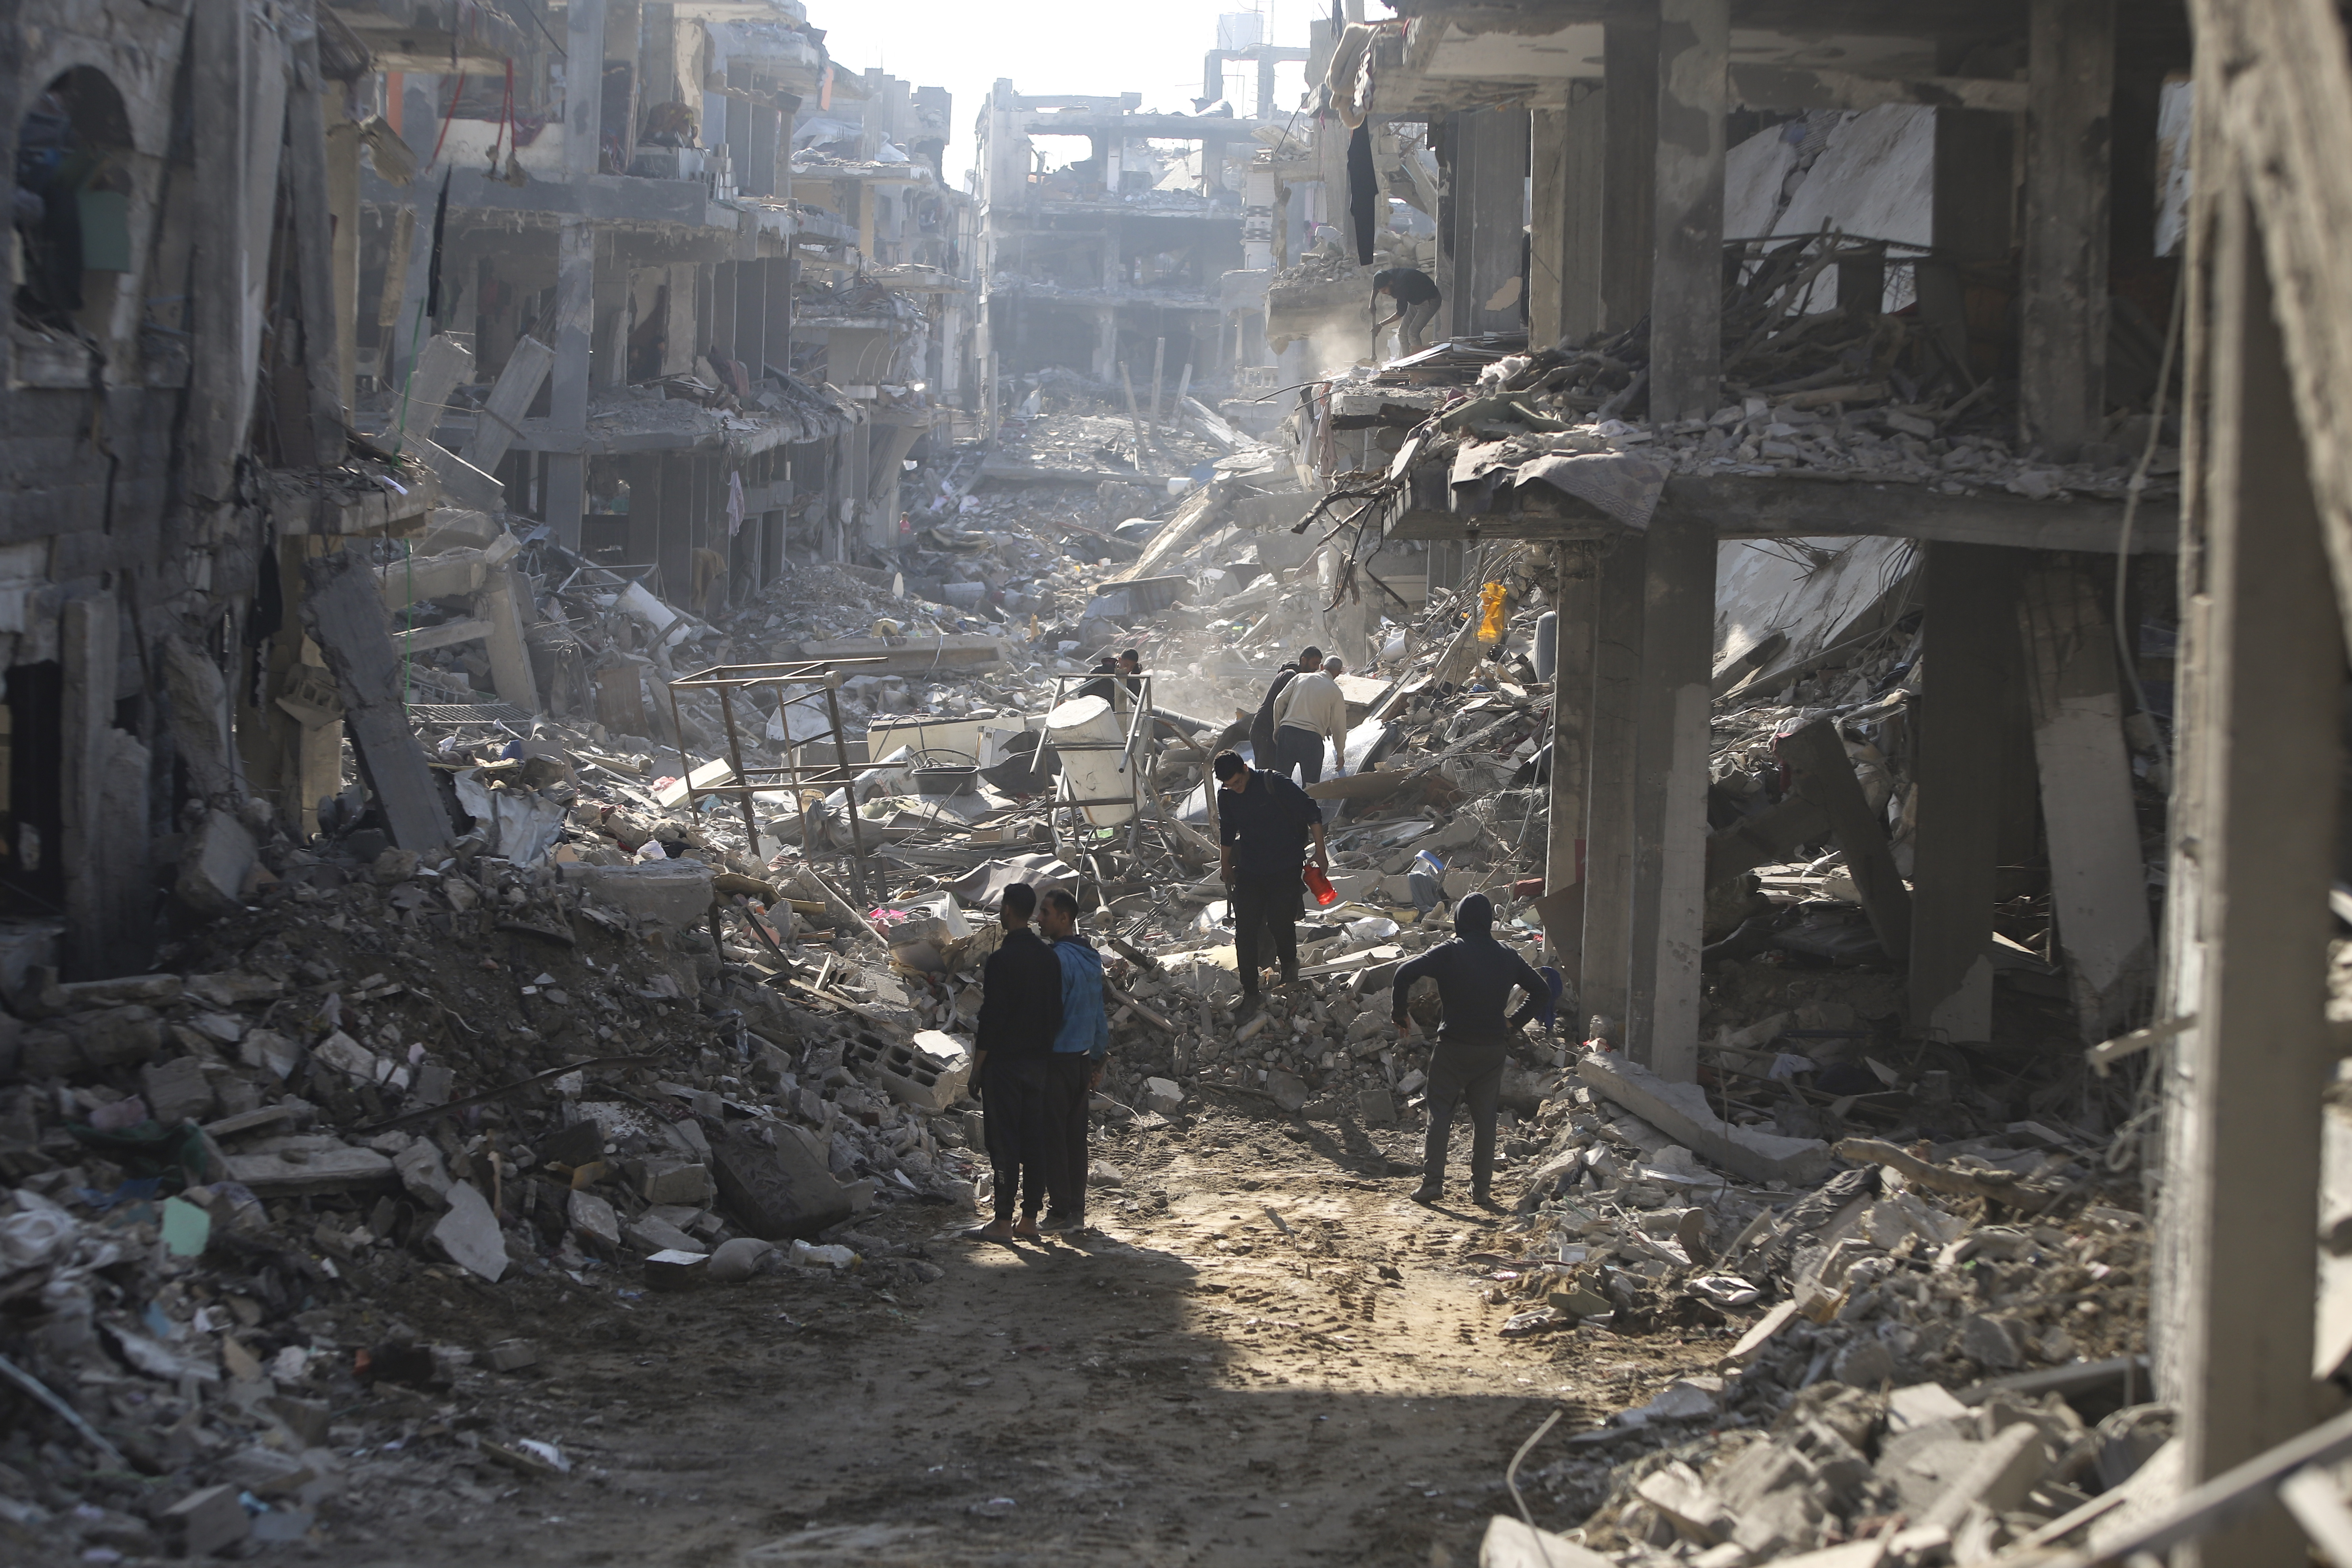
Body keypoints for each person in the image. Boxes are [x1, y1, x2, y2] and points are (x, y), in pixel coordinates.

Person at [1390, 893, 1553, 1207]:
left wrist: (1400, 1013)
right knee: (1485, 1119)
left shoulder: (1451, 952)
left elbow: (1403, 973)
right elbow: (1542, 991)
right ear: (1489, 921)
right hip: (1491, 1049)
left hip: (1453, 1046)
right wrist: (1514, 1023)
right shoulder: (1508, 955)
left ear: (1461, 920)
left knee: (1440, 1113)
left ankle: (1433, 1183)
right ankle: (1481, 1190)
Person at [966, 883, 1065, 1242]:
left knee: (1004, 1141)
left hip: (1005, 1065)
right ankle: (1029, 1220)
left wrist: (978, 1068)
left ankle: (1003, 1221)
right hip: (1039, 1064)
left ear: (1008, 909)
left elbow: (992, 1019)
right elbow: (1057, 1013)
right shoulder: (1050, 958)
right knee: (1034, 1139)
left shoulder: (1001, 960)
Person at [1214, 751, 1328, 1008]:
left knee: (1280, 922)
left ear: (1245, 768)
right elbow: (1228, 829)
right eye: (1230, 786)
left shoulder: (1273, 783)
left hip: (1284, 866)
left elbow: (1312, 811)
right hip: (1250, 869)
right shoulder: (1228, 795)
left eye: (1238, 782)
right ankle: (1250, 991)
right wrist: (1225, 862)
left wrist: (1321, 853)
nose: (1236, 789)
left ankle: (1289, 963)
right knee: (1245, 930)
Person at [1038, 888, 1109, 1234]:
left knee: (1054, 1138)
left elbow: (1047, 1017)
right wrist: (1098, 1061)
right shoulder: (1091, 959)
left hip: (1055, 1062)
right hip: (1082, 1061)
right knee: (1075, 1140)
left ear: (1064, 918)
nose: (1041, 918)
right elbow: (1098, 1014)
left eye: (1047, 912)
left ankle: (1058, 1212)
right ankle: (1076, 1212)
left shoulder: (1054, 961)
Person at [1271, 655, 1349, 785]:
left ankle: (1279, 805)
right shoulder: (1336, 692)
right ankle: (1305, 805)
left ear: (1322, 667)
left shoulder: (1301, 677)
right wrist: (1340, 755)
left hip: (1288, 733)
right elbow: (1339, 727)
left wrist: (1277, 727)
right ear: (1339, 673)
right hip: (1312, 740)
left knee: (1281, 781)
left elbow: (1279, 702)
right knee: (1310, 786)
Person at [1248, 646, 1320, 770]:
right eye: (1314, 664)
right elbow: (1287, 706)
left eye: (1319, 664)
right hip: (1265, 731)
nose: (1316, 668)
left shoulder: (1297, 677)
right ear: (1304, 660)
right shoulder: (1290, 677)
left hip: (1272, 732)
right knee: (1266, 775)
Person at [1373, 267, 1442, 359]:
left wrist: (1381, 325)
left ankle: (1419, 364)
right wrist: (1372, 302)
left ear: (1390, 283)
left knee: (1413, 333)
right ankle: (1406, 364)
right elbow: (1376, 288)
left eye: (1385, 290)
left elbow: (1400, 313)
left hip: (1430, 301)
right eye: (1381, 291)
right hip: (1416, 301)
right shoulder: (1386, 276)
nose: (1384, 293)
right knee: (1402, 333)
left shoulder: (1401, 285)